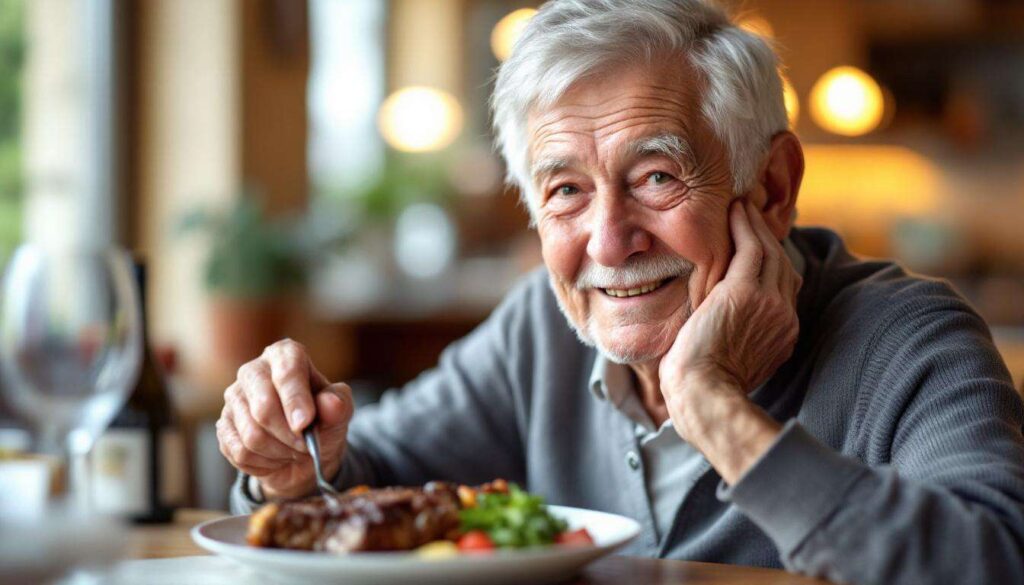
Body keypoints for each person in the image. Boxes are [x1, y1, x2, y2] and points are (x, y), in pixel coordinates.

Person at [219, 1, 1024, 582]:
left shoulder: (910, 341)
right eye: (565, 191)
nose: (608, 241)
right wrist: (293, 457)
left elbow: (991, 563)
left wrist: (714, 408)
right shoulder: (542, 325)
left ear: (772, 188)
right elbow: (370, 471)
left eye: (656, 176)